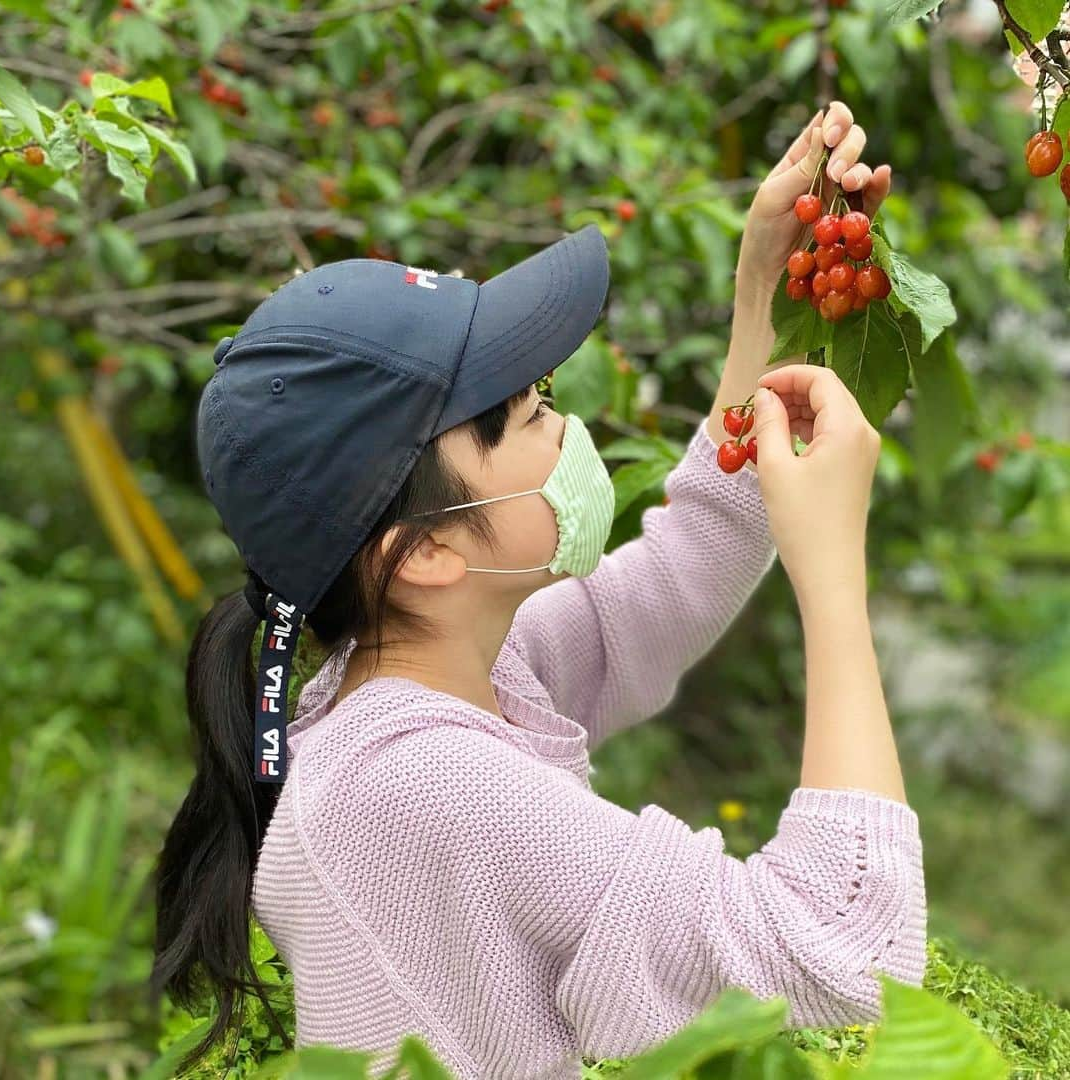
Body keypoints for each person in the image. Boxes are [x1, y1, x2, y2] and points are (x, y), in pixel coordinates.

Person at [149, 101, 924, 1079]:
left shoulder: (429, 680)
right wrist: (834, 575)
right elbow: (843, 950)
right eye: (530, 414)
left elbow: (679, 573)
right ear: (417, 556)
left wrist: (764, 283)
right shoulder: (434, 786)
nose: (567, 434)